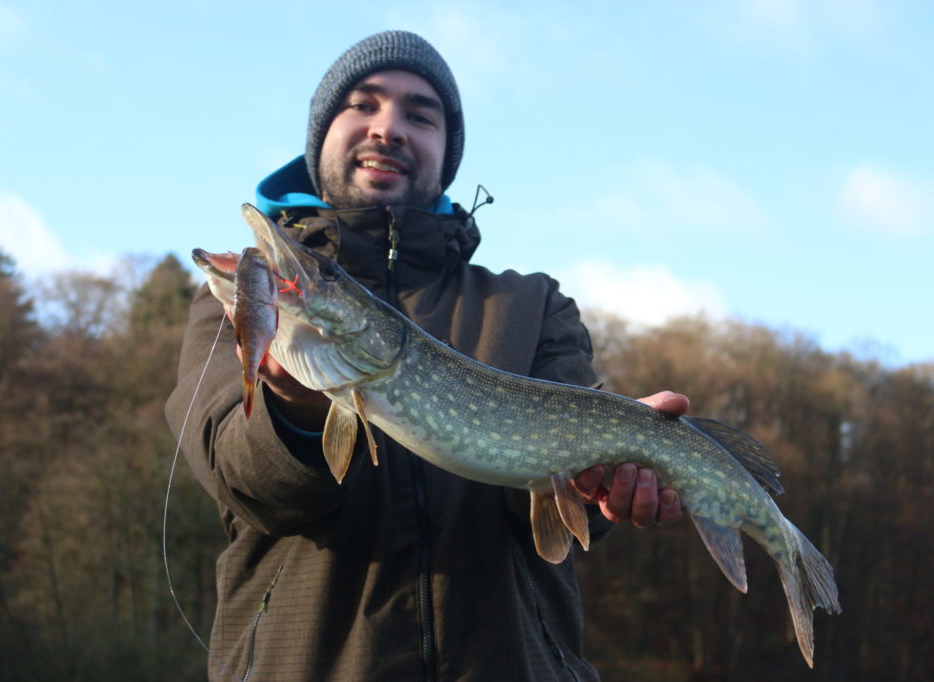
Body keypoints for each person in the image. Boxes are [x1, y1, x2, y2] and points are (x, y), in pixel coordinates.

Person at [166, 30, 687, 682]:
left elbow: (555, 522)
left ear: (446, 151)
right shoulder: (231, 303)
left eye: (420, 114)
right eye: (363, 104)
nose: (388, 128)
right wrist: (294, 391)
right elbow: (247, 486)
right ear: (320, 136)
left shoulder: (531, 306)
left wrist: (607, 472)